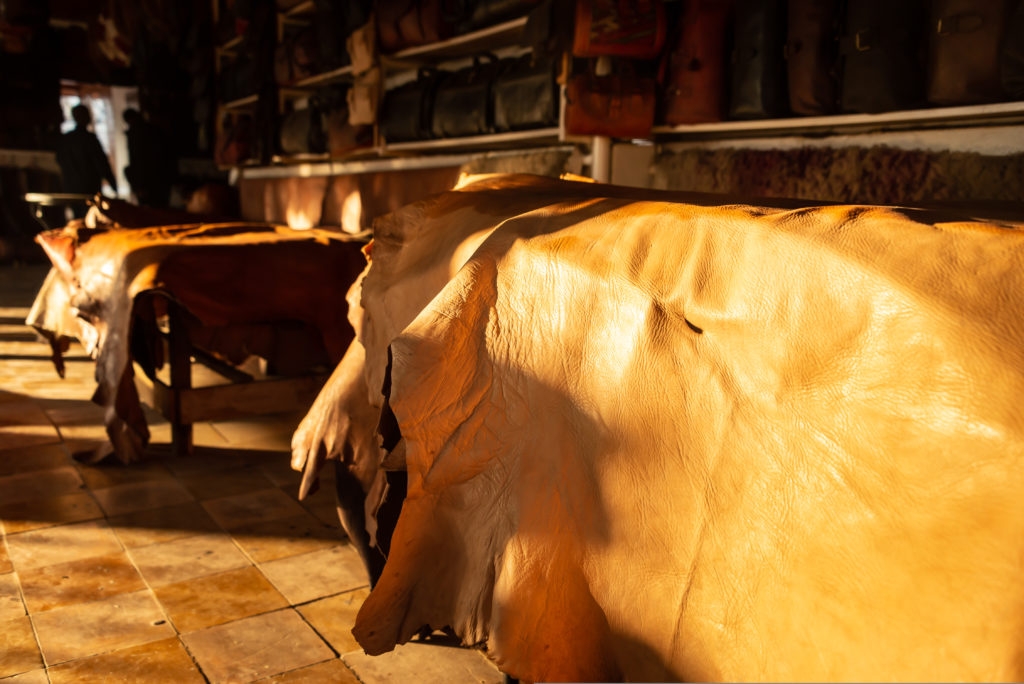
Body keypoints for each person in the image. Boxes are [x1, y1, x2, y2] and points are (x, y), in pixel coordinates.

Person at [56, 104, 116, 217]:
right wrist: (113, 184)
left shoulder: (66, 139)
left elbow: (59, 160)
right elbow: (101, 163)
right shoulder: (88, 139)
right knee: (91, 219)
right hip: (88, 188)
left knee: (79, 218)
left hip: (72, 189)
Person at [123, 108, 173, 208]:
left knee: (152, 209)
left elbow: (138, 160)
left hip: (151, 180)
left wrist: (139, 185)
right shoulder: (153, 130)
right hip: (158, 179)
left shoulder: (138, 134)